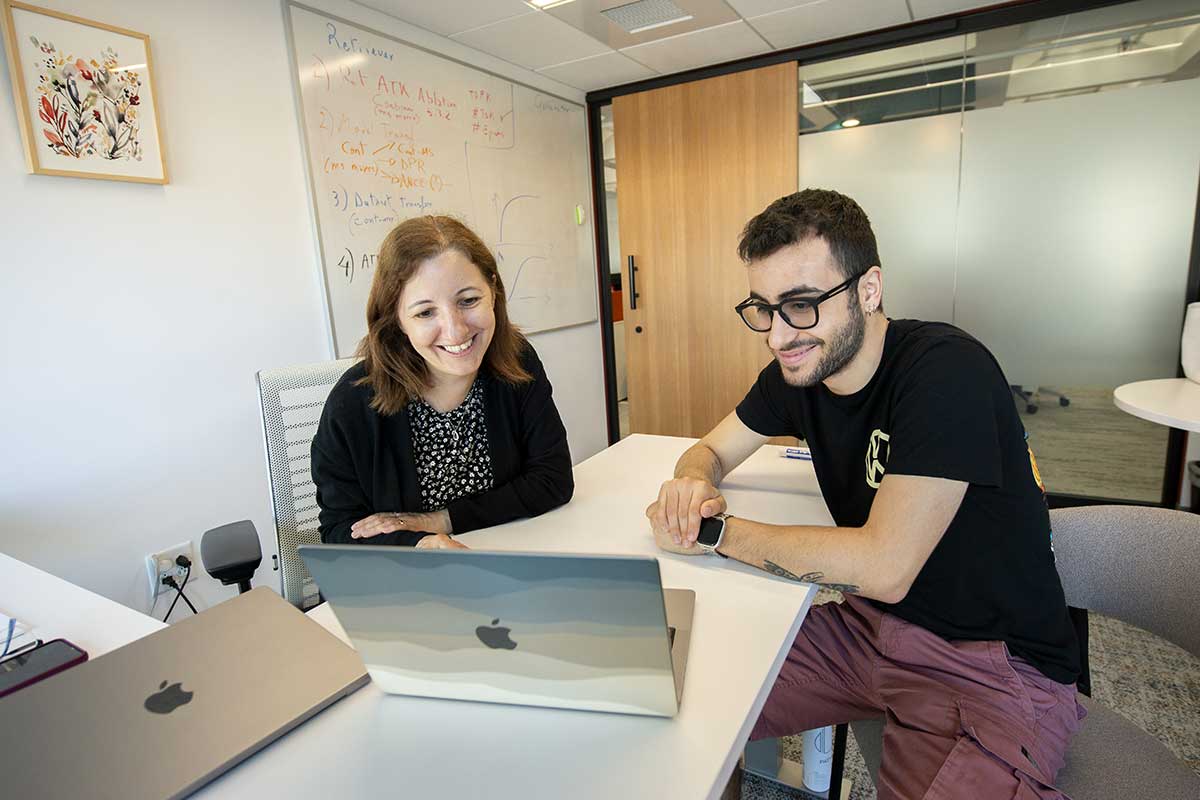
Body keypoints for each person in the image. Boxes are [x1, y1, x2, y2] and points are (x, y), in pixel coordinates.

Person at [646, 189, 1084, 799]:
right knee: (669, 695)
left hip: (989, 663)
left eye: (800, 305)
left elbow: (884, 567)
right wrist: (691, 481)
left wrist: (715, 532)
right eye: (763, 309)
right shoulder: (801, 368)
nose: (777, 335)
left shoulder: (947, 371)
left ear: (868, 290)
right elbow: (712, 449)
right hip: (864, 630)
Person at [312, 215, 574, 550]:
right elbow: (341, 533)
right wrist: (419, 545)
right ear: (398, 320)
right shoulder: (352, 402)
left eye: (468, 301)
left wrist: (444, 519)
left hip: (507, 561)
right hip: (406, 583)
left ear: (492, 291)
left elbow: (553, 480)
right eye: (425, 313)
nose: (456, 331)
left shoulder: (517, 361)